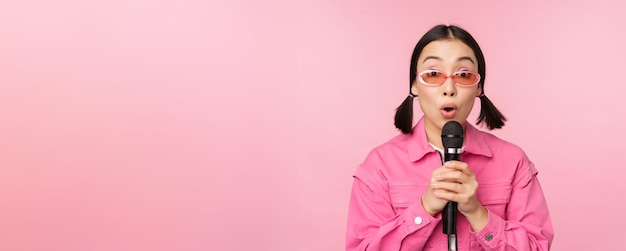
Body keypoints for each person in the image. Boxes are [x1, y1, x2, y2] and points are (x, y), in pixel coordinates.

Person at [345, 24, 554, 250]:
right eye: (433, 74)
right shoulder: (379, 166)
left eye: (463, 75)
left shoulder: (513, 161)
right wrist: (424, 208)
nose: (449, 88)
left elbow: (537, 247)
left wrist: (477, 212)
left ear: (478, 86)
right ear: (414, 85)